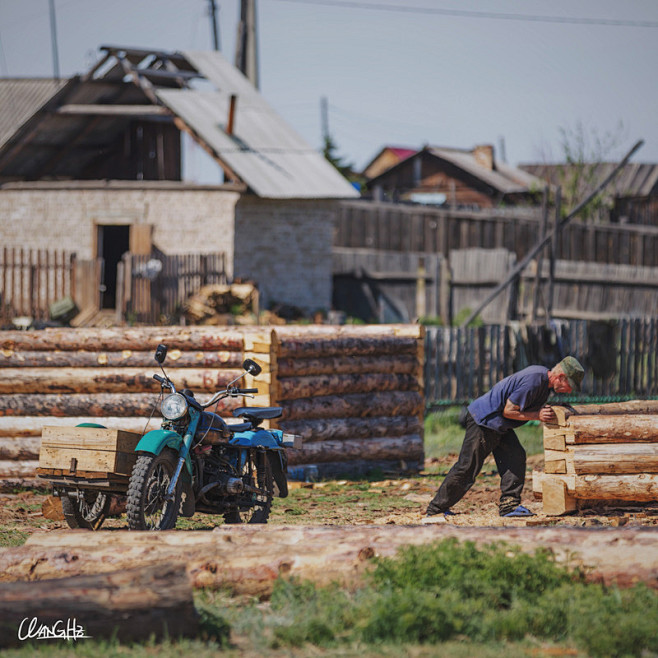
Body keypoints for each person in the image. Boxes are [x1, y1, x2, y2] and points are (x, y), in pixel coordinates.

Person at [423, 356, 584, 523]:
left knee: (515, 457)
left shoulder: (543, 382)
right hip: (485, 420)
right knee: (467, 467)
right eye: (569, 385)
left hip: (499, 424)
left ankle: (509, 506)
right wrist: (537, 415)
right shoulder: (535, 381)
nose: (570, 390)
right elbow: (509, 411)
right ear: (560, 377)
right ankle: (436, 509)